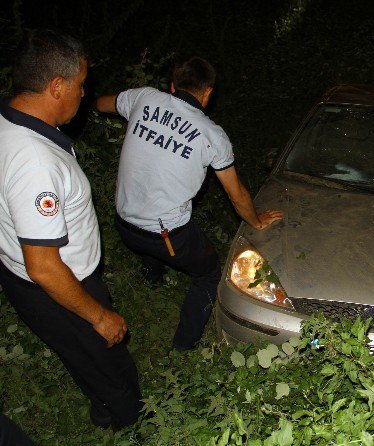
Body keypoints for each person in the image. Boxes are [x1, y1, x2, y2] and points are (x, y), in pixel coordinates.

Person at [0, 29, 142, 431]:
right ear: (56, 85)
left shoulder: (7, 119)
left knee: (79, 357)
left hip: (21, 277)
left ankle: (102, 408)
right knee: (111, 365)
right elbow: (45, 267)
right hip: (61, 286)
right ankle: (132, 426)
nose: (84, 94)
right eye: (80, 86)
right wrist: (98, 316)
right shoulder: (35, 164)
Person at [95, 56, 283, 351]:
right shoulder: (212, 135)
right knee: (209, 275)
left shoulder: (144, 97)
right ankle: (184, 347)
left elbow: (102, 104)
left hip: (123, 223)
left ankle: (151, 277)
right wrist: (256, 220)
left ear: (172, 86)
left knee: (149, 234)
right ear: (208, 92)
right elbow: (237, 195)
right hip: (167, 236)